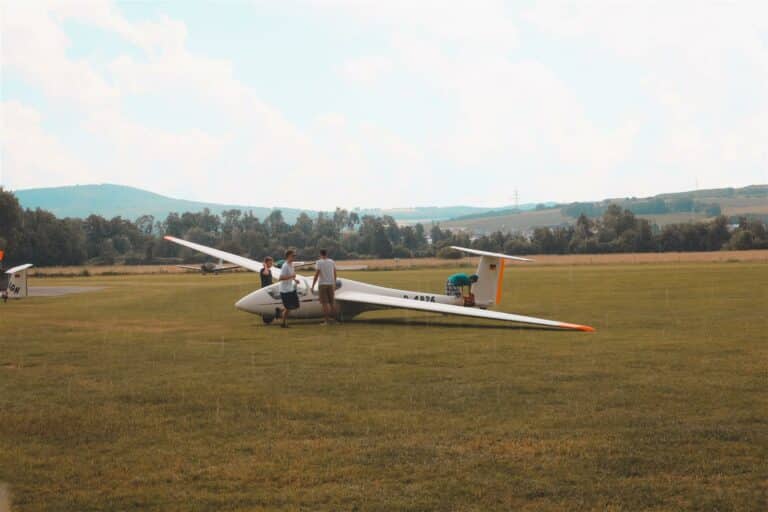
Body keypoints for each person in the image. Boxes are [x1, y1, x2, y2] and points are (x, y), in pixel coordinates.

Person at [312, 249, 337, 325]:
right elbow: (335, 273)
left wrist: (313, 285)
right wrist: (334, 283)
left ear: (320, 254)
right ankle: (335, 320)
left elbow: (317, 274)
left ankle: (326, 321)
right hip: (331, 284)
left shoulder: (319, 262)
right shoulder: (332, 262)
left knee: (324, 303)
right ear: (326, 254)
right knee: (332, 303)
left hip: (322, 284)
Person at [278, 250, 300, 328]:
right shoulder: (285, 266)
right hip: (284, 290)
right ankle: (283, 324)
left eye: (294, 256)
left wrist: (295, 280)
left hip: (290, 288)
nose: (294, 257)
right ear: (288, 256)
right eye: (292, 256)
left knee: (295, 306)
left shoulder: (291, 265)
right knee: (289, 307)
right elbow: (280, 278)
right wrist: (291, 277)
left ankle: (280, 310)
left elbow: (292, 276)